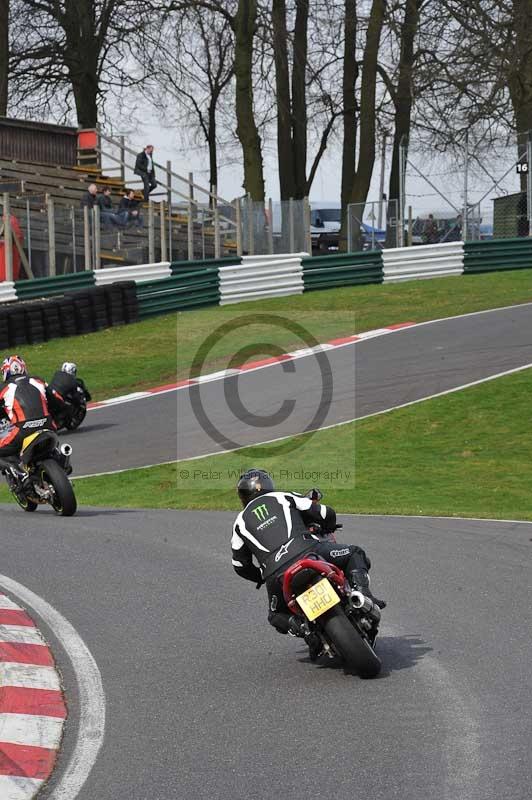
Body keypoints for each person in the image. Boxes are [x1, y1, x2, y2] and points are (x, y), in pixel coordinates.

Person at [231, 468, 385, 659]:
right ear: (268, 485)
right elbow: (324, 512)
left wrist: (261, 576)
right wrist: (328, 525)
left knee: (276, 615)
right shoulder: (282, 497)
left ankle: (303, 628)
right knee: (354, 553)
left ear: (243, 496)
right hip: (308, 551)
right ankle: (362, 594)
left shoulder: (239, 523)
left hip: (276, 575)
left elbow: (239, 565)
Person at [0, 356, 57, 470]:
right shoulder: (38, 380)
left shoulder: (3, 388)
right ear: (23, 368)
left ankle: (19, 474)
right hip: (48, 425)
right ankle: (61, 459)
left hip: (22, 430)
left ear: (5, 372)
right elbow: (55, 401)